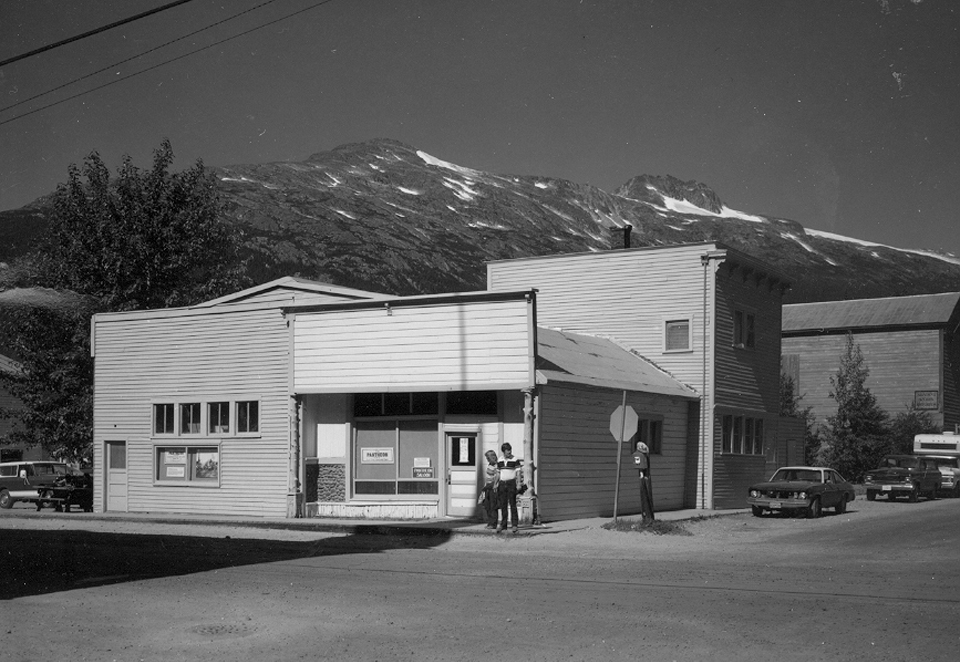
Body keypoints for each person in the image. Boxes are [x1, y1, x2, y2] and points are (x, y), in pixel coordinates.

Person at [496, 442, 524, 534]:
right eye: (507, 450)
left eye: (510, 450)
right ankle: (503, 525)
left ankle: (514, 525)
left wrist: (519, 483)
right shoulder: (499, 460)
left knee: (513, 504)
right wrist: (496, 483)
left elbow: (518, 472)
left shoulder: (515, 459)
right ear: (503, 451)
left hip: (511, 483)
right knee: (503, 505)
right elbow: (498, 473)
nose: (509, 452)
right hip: (502, 483)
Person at [480, 450, 500, 528]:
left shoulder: (496, 465)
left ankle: (493, 523)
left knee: (493, 506)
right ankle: (490, 522)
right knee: (487, 505)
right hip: (487, 486)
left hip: (493, 486)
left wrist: (494, 485)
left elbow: (497, 477)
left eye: (488, 458)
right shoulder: (490, 464)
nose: (487, 459)